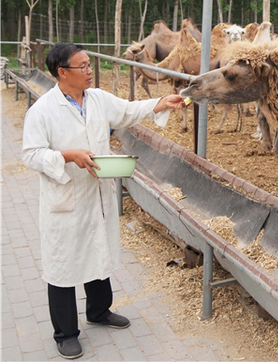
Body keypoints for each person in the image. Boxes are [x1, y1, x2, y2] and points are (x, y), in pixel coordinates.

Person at [21, 43, 186, 359]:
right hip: (66, 196)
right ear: (62, 72)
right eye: (82, 66)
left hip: (96, 192)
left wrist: (160, 103)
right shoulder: (42, 111)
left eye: (89, 64)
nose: (89, 71)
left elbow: (127, 110)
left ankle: (99, 311)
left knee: (97, 248)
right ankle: (66, 333)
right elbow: (31, 155)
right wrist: (67, 156)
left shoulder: (97, 99)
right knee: (62, 264)